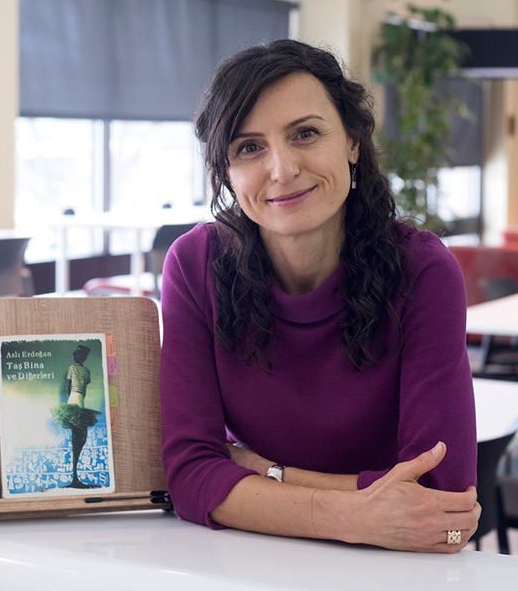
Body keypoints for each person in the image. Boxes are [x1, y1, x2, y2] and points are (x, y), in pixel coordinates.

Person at [159, 39, 479, 552]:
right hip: (252, 561)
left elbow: (441, 499)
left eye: (305, 133)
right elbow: (189, 474)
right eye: (249, 147)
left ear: (352, 141)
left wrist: (264, 474)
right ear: (226, 172)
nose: (282, 169)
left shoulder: (422, 271)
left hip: (392, 570)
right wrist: (351, 514)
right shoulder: (195, 265)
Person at [51, 344, 100, 489]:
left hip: (78, 404)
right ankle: (74, 477)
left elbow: (78, 388)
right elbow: (70, 387)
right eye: (80, 355)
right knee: (77, 439)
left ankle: (75, 476)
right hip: (74, 403)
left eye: (83, 355)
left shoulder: (86, 371)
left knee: (80, 439)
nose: (81, 357)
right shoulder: (73, 369)